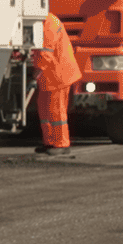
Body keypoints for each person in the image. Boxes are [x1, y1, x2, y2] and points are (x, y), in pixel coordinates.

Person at [32, 12, 82, 154]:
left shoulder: (49, 24)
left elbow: (46, 53)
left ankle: (62, 144)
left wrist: (36, 72)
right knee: (44, 108)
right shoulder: (42, 22)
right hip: (49, 74)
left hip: (59, 75)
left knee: (56, 110)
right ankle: (49, 142)